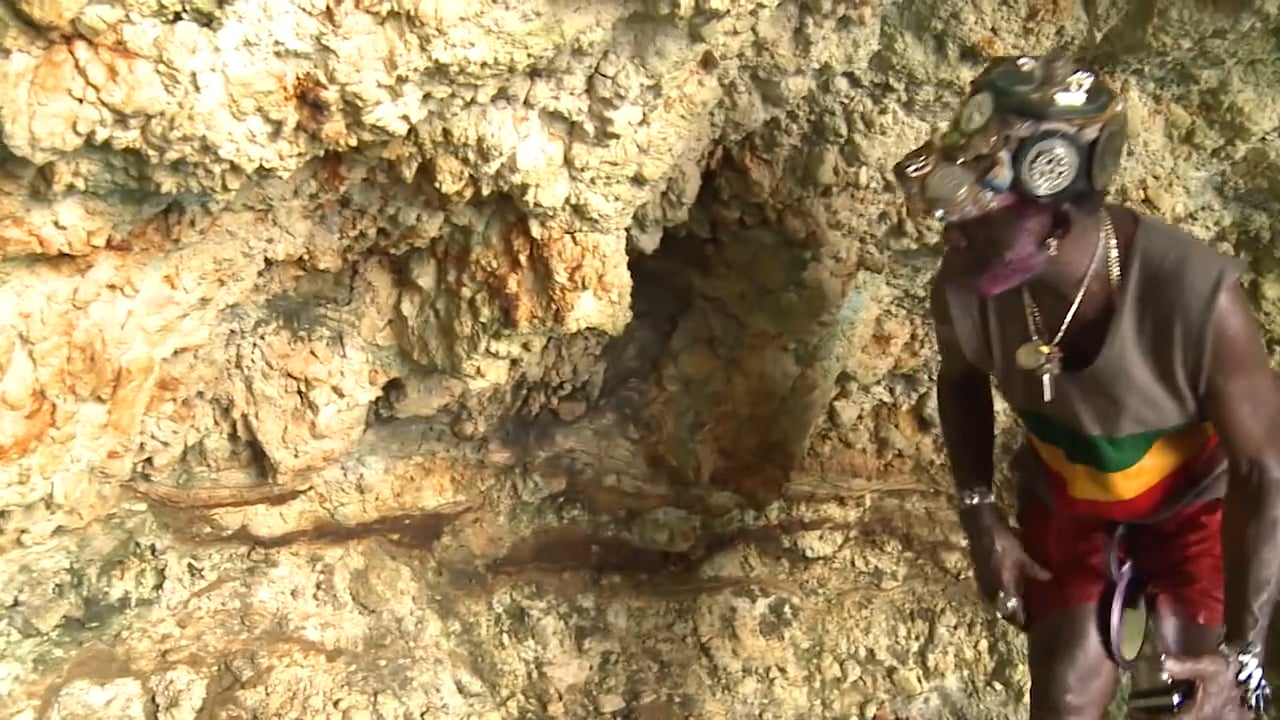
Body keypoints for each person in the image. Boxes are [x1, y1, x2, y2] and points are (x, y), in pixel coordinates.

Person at [891, 48, 1280, 719]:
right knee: (1065, 692)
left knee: (1194, 692)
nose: (952, 234)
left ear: (1056, 214)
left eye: (978, 212)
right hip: (1070, 497)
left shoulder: (1196, 297)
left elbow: (1265, 471)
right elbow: (959, 381)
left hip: (1199, 508)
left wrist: (1242, 654)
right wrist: (980, 513)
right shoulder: (964, 285)